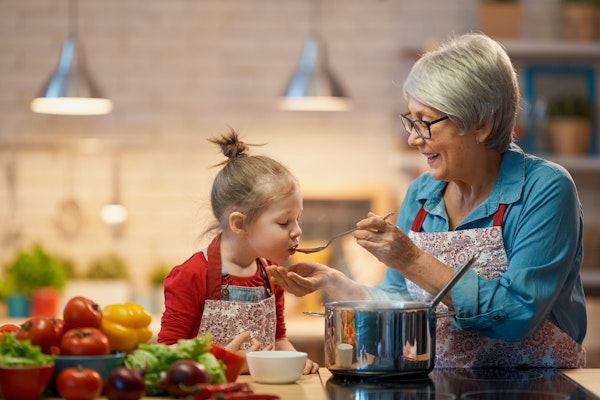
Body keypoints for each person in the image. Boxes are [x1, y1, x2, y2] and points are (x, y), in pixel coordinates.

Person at [268, 33, 587, 368]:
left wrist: (413, 260)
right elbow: (399, 299)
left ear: (481, 124)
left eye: (425, 122)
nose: (412, 138)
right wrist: (336, 283)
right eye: (410, 120)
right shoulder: (422, 194)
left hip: (541, 388)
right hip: (442, 385)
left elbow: (517, 315)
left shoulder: (545, 189)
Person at [158, 129, 319, 374]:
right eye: (284, 222)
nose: (297, 231)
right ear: (240, 224)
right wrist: (222, 362)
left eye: (298, 219)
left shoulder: (271, 275)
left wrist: (295, 359)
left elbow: (278, 340)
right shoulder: (192, 275)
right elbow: (167, 353)